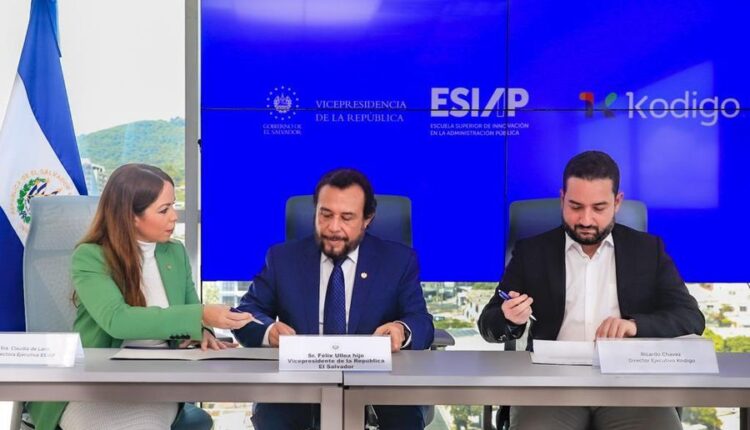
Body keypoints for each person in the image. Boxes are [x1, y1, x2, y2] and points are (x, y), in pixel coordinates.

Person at [478, 151, 705, 430]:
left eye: (598, 208)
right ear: (562, 198)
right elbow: (488, 324)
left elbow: (691, 317)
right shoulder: (532, 252)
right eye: (575, 206)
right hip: (551, 384)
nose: (586, 220)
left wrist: (634, 325)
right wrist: (509, 318)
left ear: (617, 202)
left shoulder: (648, 250)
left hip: (630, 385)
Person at [27, 164, 254, 430]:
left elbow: (191, 309)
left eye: (173, 206)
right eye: (164, 210)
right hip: (94, 384)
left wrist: (203, 331)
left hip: (158, 382)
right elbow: (117, 320)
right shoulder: (90, 257)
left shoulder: (175, 253)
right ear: (130, 216)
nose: (174, 217)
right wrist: (200, 316)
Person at [233, 168, 434, 430]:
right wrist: (269, 331)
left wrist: (401, 330)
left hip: (379, 387)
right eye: (325, 214)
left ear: (367, 219)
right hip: (297, 389)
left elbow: (421, 321)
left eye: (346, 217)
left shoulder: (398, 260)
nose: (333, 227)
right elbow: (246, 313)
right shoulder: (283, 259)